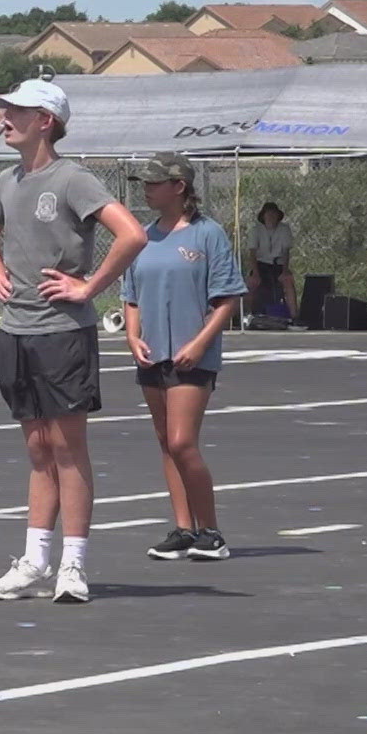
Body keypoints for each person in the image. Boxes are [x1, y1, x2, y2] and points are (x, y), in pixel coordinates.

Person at [0, 79, 148, 605]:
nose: (5, 117)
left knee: (69, 450)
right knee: (37, 449)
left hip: (63, 334)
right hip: (17, 332)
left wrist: (90, 287)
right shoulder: (5, 181)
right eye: (5, 109)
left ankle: (72, 565)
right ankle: (34, 561)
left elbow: (132, 234)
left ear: (45, 121)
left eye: (17, 111)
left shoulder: (72, 179)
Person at [123, 153, 245, 563]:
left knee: (182, 441)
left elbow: (227, 299)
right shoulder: (141, 236)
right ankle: (183, 529)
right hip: (152, 355)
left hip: (193, 357)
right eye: (144, 182)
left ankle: (211, 532)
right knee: (165, 443)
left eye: (155, 182)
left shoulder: (206, 234)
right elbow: (131, 296)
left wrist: (199, 343)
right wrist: (132, 336)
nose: (147, 189)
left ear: (179, 187)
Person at [245, 202, 295, 319]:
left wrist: (285, 271)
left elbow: (286, 252)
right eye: (268, 214)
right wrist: (255, 273)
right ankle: (246, 315)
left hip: (278, 265)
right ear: (263, 216)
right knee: (251, 283)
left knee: (288, 281)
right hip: (261, 265)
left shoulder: (284, 229)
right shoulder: (256, 230)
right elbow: (252, 253)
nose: (271, 217)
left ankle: (294, 316)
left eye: (274, 214)